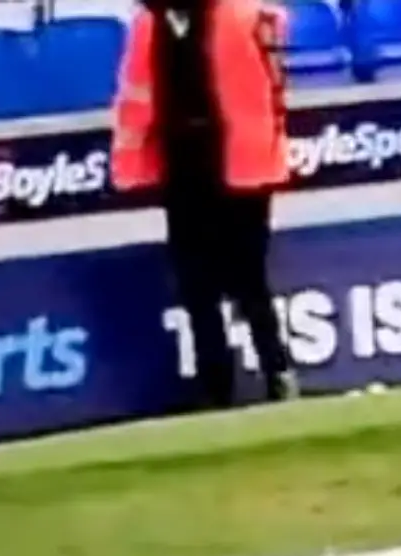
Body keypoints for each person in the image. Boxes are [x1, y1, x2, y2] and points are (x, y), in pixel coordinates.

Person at [111, 0, 298, 412]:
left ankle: (278, 372)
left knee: (248, 280)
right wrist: (131, 163)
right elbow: (135, 99)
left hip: (240, 167)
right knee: (197, 287)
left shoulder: (241, 14)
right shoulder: (148, 24)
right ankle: (216, 388)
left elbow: (272, 72)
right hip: (182, 167)